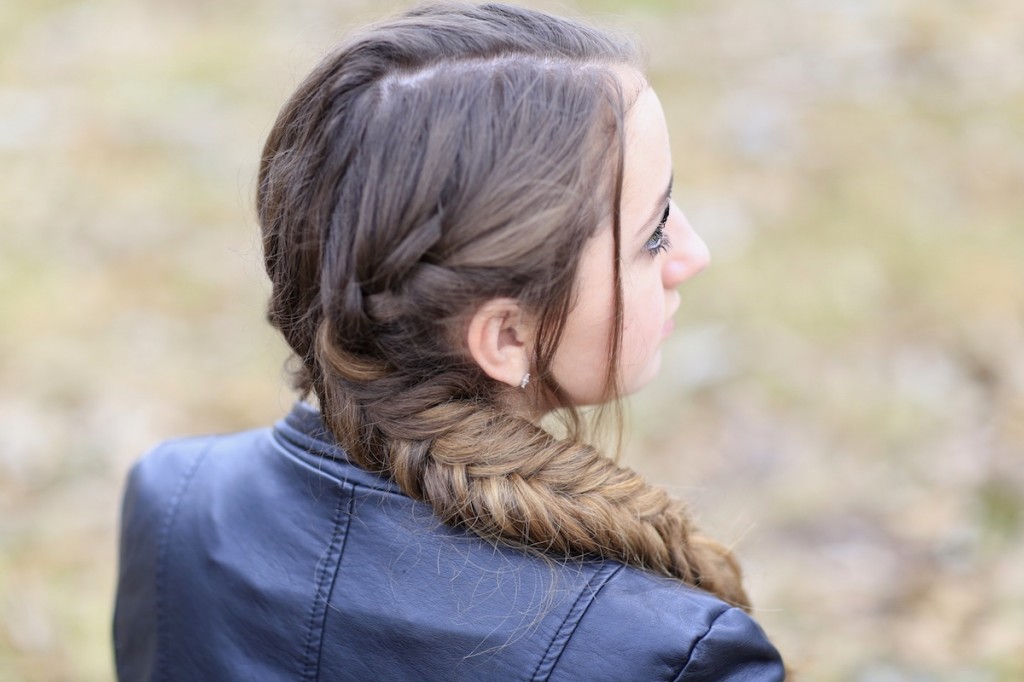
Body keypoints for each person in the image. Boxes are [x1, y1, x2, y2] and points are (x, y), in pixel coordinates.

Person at [113, 2, 785, 679]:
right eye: (654, 234)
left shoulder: (173, 502)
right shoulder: (670, 654)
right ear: (507, 335)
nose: (692, 253)